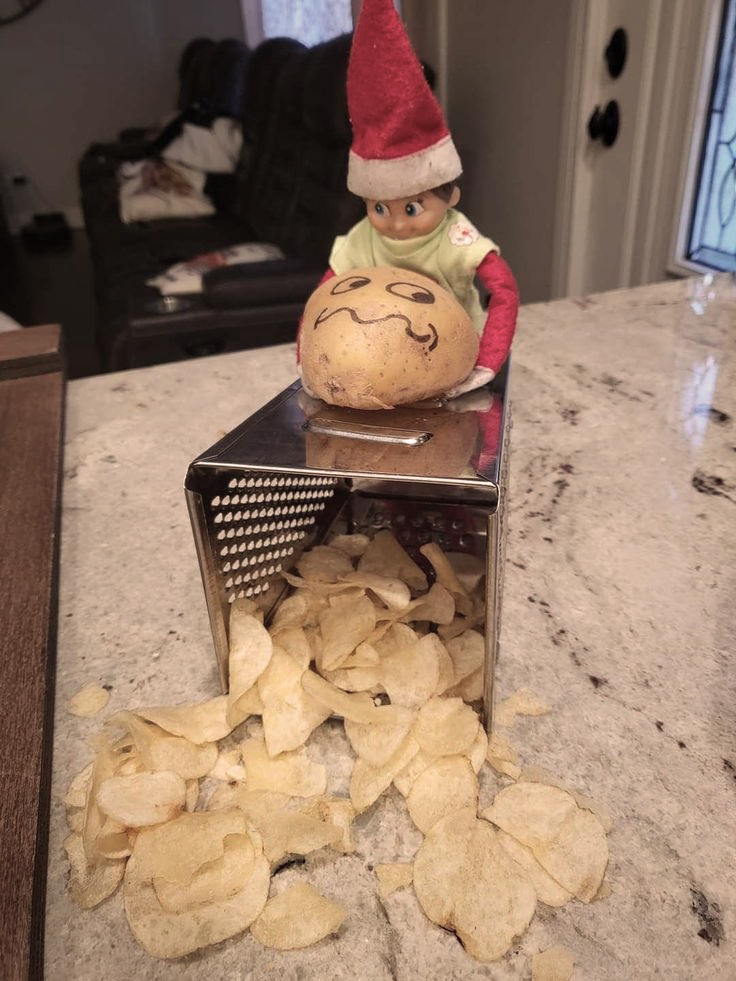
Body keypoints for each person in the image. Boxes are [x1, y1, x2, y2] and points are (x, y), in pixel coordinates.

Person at [298, 0, 518, 398]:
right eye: (380, 208)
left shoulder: (456, 240)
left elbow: (504, 291)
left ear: (451, 197)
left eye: (412, 208)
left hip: (450, 360)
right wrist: (306, 356)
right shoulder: (363, 238)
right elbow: (322, 293)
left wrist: (488, 359)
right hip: (369, 361)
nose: (396, 224)